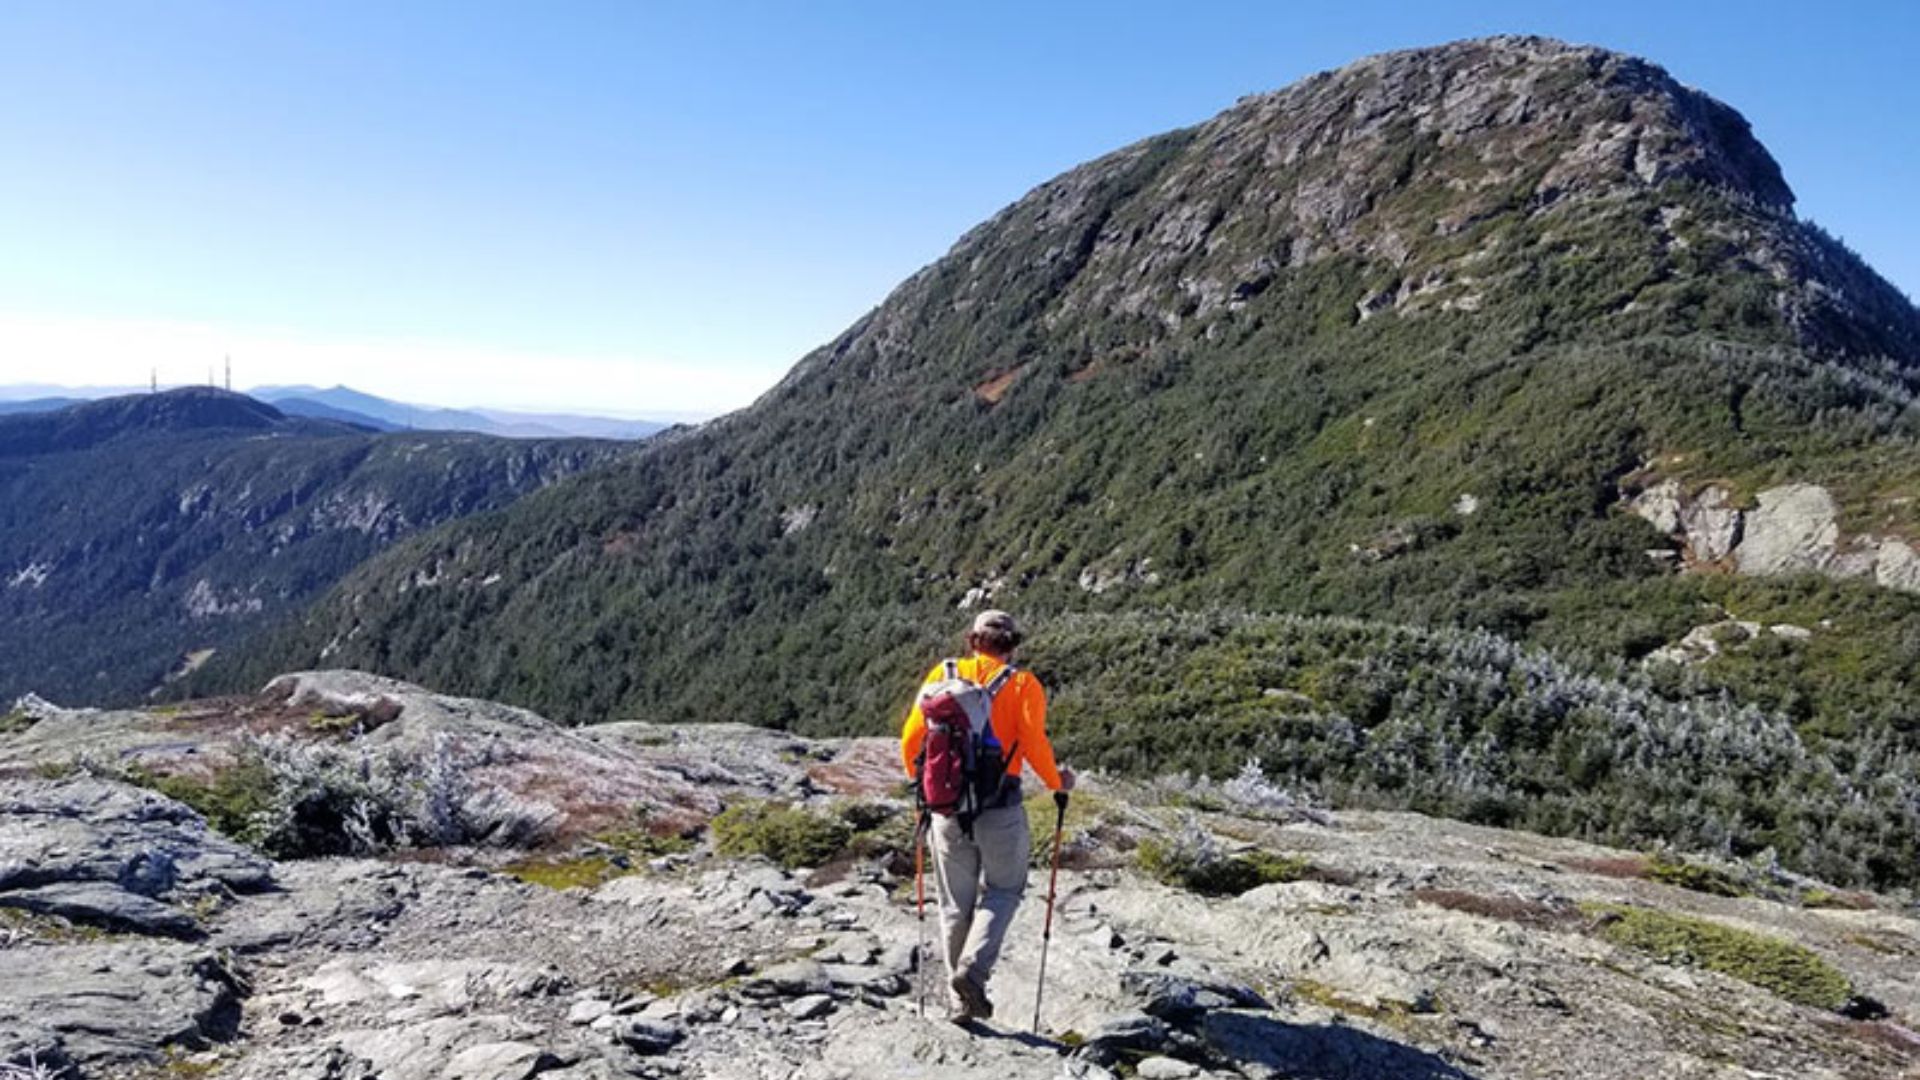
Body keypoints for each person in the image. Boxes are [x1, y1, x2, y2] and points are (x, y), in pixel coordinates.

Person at [899, 609, 1075, 1022]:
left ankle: (960, 1004)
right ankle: (973, 973)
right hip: (1000, 806)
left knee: (954, 907)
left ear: (972, 641)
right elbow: (1032, 741)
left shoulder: (942, 674)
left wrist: (922, 785)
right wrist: (1057, 781)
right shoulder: (1021, 683)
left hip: (945, 808)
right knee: (1004, 890)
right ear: (1012, 646)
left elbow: (911, 736)